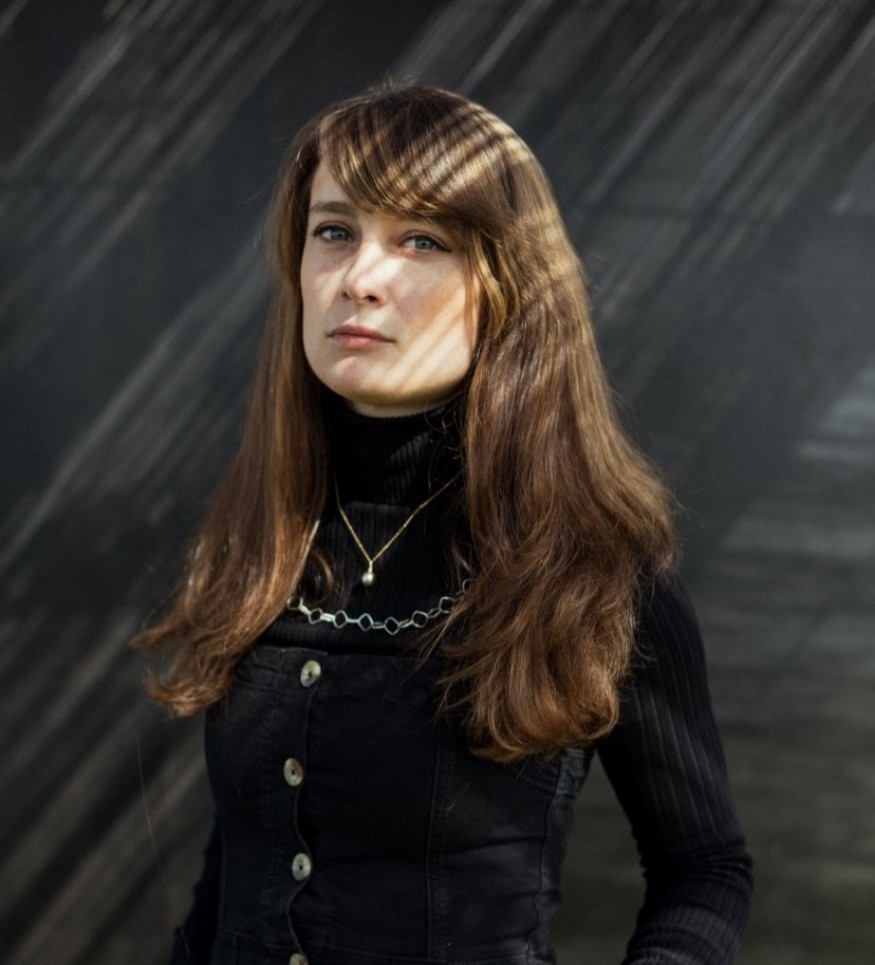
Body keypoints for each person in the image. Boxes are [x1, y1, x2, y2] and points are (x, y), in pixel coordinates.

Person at [136, 84, 753, 965]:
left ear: (503, 281)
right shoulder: (260, 541)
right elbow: (242, 862)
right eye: (334, 231)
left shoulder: (594, 574)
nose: (359, 278)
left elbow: (704, 869)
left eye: (420, 240)